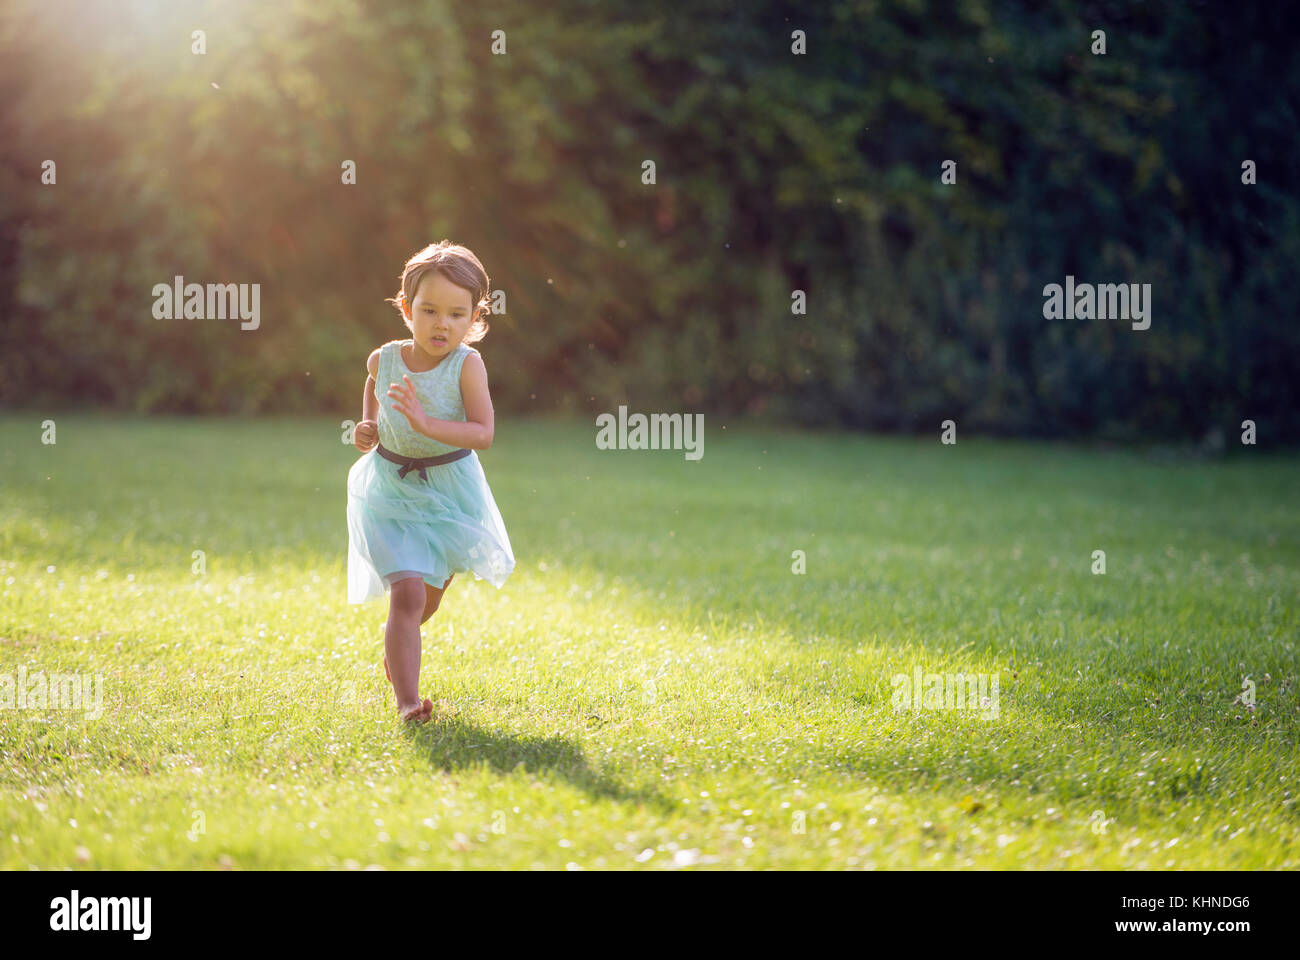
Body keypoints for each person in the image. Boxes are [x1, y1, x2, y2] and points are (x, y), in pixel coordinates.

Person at [346, 240, 515, 722]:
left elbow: (483, 432)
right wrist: (368, 423)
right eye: (429, 310)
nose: (442, 323)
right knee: (408, 593)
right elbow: (373, 385)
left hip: (448, 489)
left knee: (430, 597)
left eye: (457, 314)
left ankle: (399, 649)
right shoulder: (385, 358)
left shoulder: (467, 366)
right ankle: (407, 702)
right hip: (390, 487)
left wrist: (426, 426)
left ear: (476, 318)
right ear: (406, 308)